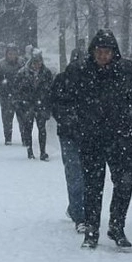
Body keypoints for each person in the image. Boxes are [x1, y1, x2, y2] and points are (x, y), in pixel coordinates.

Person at [57, 29, 132, 249]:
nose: (104, 56)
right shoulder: (78, 72)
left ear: (114, 53)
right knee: (93, 186)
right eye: (100, 52)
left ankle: (117, 226)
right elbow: (60, 99)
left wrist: (128, 123)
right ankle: (92, 230)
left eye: (108, 52)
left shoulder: (126, 71)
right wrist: (75, 124)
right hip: (90, 138)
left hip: (119, 137)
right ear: (93, 51)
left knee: (124, 184)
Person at [49, 41, 89, 231]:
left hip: (81, 134)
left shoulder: (89, 80)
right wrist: (70, 119)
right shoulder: (64, 81)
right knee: (77, 175)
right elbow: (56, 106)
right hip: (71, 133)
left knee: (80, 176)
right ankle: (79, 214)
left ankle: (78, 209)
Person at [14, 50, 55, 160]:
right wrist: (19, 104)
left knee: (42, 128)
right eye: (35, 62)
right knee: (28, 128)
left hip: (41, 104)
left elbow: (51, 90)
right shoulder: (22, 73)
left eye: (39, 62)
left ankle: (43, 151)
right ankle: (30, 151)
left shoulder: (46, 73)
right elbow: (17, 90)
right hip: (27, 104)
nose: (37, 65)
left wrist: (49, 103)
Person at [0, 45, 24, 145]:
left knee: (23, 118)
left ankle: (25, 138)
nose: (12, 56)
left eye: (14, 53)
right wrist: (2, 89)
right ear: (6, 54)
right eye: (10, 54)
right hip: (6, 96)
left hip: (20, 96)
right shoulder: (0, 65)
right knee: (7, 118)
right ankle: (8, 138)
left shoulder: (22, 64)